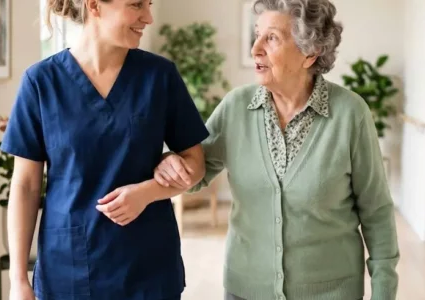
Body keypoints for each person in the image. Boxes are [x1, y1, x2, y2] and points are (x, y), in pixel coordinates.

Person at [153, 0, 400, 299]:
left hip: (332, 291)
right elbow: (195, 173)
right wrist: (169, 162)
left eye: (271, 38)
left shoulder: (350, 114)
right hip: (246, 290)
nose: (255, 48)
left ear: (310, 52)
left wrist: (384, 292)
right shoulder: (236, 107)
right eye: (257, 35)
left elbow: (376, 212)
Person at [0, 0, 208, 299]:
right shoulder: (41, 82)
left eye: (149, 5)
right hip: (69, 266)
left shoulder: (160, 76)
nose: (148, 17)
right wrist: (18, 279)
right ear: (95, 6)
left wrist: (147, 192)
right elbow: (25, 185)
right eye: (136, 5)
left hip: (147, 265)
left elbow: (196, 164)